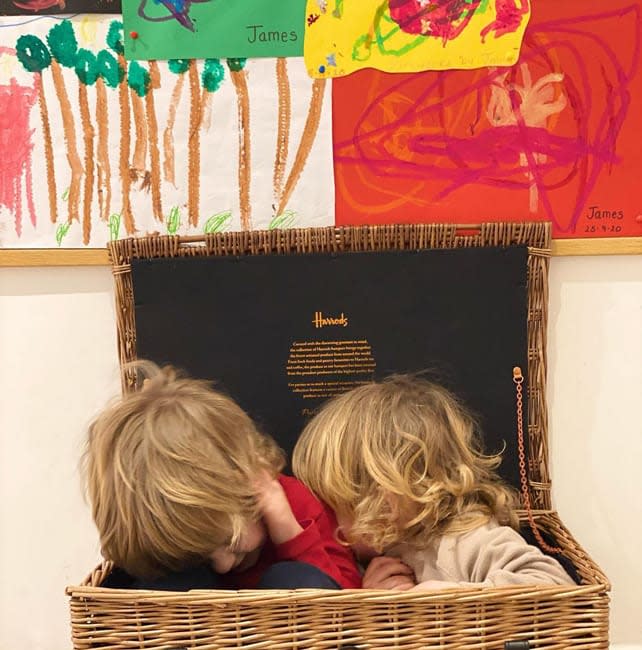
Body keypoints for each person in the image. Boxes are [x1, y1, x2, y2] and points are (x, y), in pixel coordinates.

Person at [83, 361, 361, 591]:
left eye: (232, 543)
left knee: (298, 580)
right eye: (200, 555)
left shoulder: (293, 503)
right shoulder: (169, 538)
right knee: (174, 585)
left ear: (249, 483)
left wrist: (289, 532)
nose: (224, 565)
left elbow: (346, 600)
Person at [292, 374, 574, 590]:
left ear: (384, 499)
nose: (324, 519)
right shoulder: (371, 560)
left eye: (334, 505)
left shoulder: (465, 538)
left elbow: (553, 584)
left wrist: (434, 600)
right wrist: (372, 603)